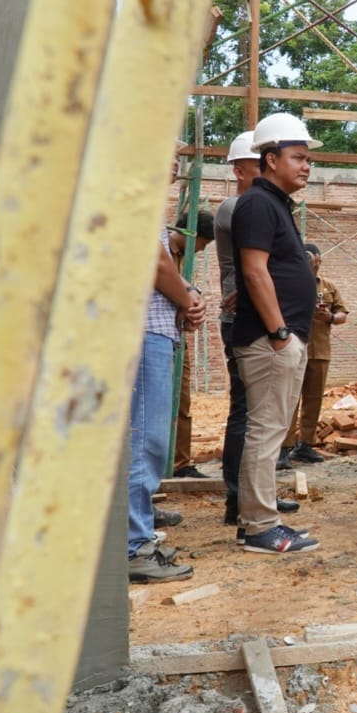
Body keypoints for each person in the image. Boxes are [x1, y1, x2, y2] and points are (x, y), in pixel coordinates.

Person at [230, 112, 322, 554]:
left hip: (280, 337)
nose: (306, 166)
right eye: (298, 157)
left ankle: (257, 520)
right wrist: (280, 332)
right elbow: (254, 271)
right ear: (270, 159)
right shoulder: (258, 204)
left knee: (269, 432)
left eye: (308, 159)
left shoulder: (274, 203)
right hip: (271, 341)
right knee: (266, 433)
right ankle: (260, 527)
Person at [213, 131, 298, 527]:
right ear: (241, 169)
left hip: (264, 321)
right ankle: (243, 502)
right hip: (252, 325)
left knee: (261, 417)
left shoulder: (267, 205)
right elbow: (256, 267)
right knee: (250, 416)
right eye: (257, 164)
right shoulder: (242, 206)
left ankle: (254, 498)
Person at [128, 209, 206, 583]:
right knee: (146, 442)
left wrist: (188, 292)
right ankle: (134, 547)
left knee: (145, 443)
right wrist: (187, 299)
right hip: (144, 331)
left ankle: (136, 534)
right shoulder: (134, 190)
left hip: (151, 329)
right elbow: (154, 262)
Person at [282, 243, 347, 467]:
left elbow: (342, 314)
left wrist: (329, 317)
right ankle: (284, 447)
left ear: (319, 260)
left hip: (319, 350)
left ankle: (305, 445)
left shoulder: (328, 286)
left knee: (314, 399)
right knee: (290, 399)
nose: (313, 264)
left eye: (315, 260)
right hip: (293, 348)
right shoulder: (288, 283)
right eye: (308, 259)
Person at [170, 210, 216, 479]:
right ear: (193, 235)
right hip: (157, 338)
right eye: (204, 243)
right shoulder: (163, 250)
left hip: (177, 338)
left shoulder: (181, 258)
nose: (202, 250)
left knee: (181, 402)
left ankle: (180, 462)